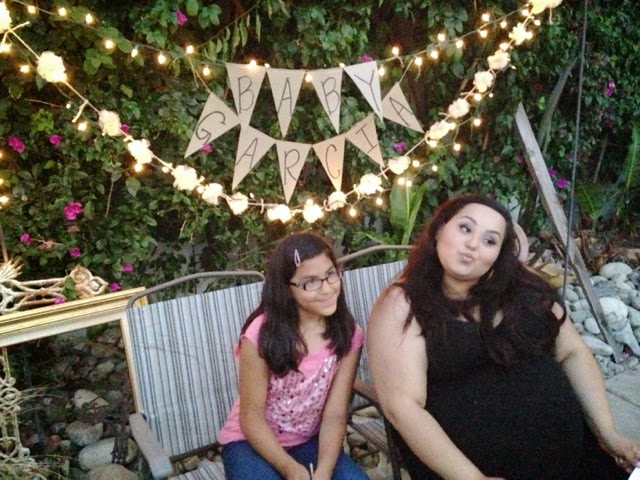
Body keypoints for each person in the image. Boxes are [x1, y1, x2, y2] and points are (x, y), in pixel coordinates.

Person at [367, 194, 640, 480]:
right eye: (465, 228)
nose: (473, 244)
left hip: (577, 457)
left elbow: (572, 351)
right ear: (439, 230)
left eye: (490, 240)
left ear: (499, 253)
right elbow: (403, 407)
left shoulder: (523, 286)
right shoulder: (404, 304)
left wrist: (607, 432)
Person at [218, 232, 368, 480]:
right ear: (286, 289)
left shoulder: (349, 334)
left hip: (306, 441)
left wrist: (324, 471)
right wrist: (290, 469)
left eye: (331, 274)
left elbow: (334, 414)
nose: (327, 288)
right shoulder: (260, 335)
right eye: (310, 282)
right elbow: (251, 417)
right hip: (249, 442)